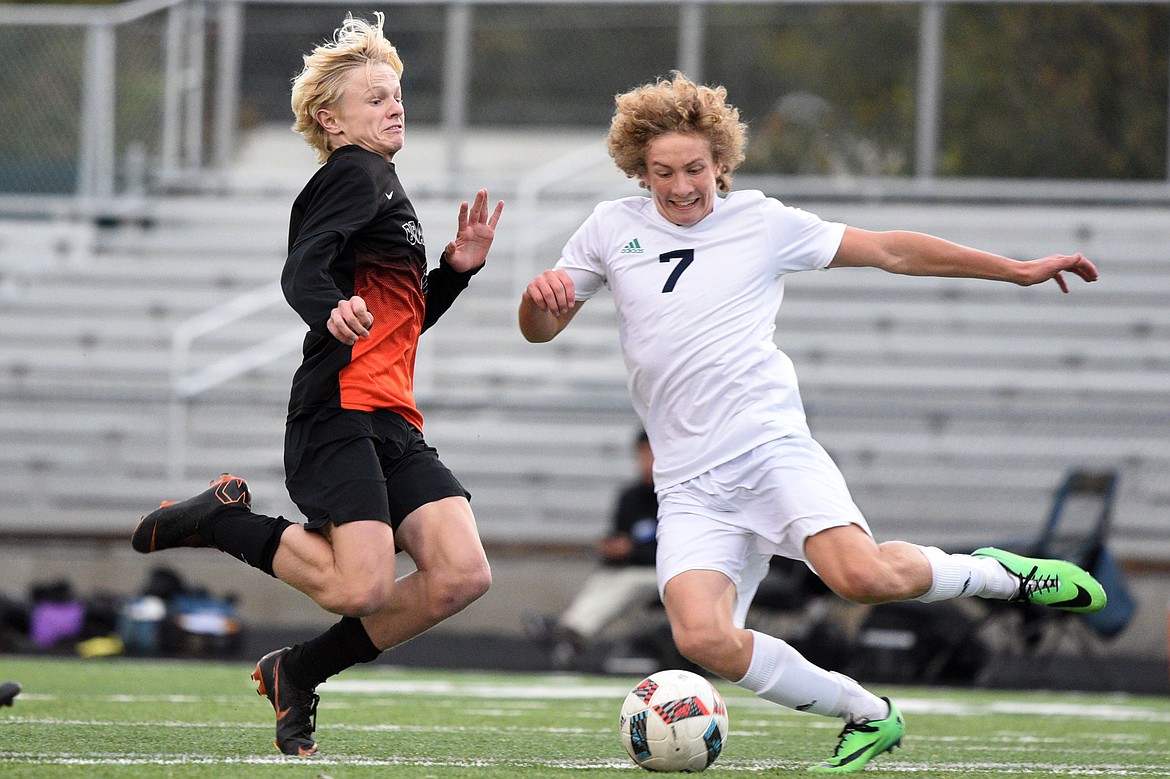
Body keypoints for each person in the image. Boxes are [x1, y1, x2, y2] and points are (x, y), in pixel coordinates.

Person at [518, 72, 1106, 774]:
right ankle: (866, 713)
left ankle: (1000, 575)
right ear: (639, 172)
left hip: (769, 449)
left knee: (860, 576)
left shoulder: (762, 222)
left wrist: (1015, 269)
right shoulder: (610, 228)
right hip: (689, 485)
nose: (680, 187)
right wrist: (539, 301)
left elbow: (891, 249)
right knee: (702, 637)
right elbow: (540, 331)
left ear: (721, 162)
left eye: (695, 169)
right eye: (663, 173)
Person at [132, 12, 502, 757]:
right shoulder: (351, 174)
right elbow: (302, 267)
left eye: (396, 94)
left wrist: (454, 274)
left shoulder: (382, 184)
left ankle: (296, 669)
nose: (394, 105)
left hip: (391, 414)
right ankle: (223, 520)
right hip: (340, 407)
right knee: (358, 586)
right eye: (375, 98)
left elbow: (399, 319)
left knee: (461, 574)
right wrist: (326, 306)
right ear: (331, 121)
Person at [527, 429, 659, 670]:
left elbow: (677, 550)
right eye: (642, 455)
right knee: (605, 578)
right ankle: (570, 630)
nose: (646, 462)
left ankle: (570, 629)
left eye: (652, 454)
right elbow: (621, 536)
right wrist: (612, 548)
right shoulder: (631, 498)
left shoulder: (677, 497)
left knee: (627, 581)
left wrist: (633, 550)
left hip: (669, 574)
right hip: (633, 570)